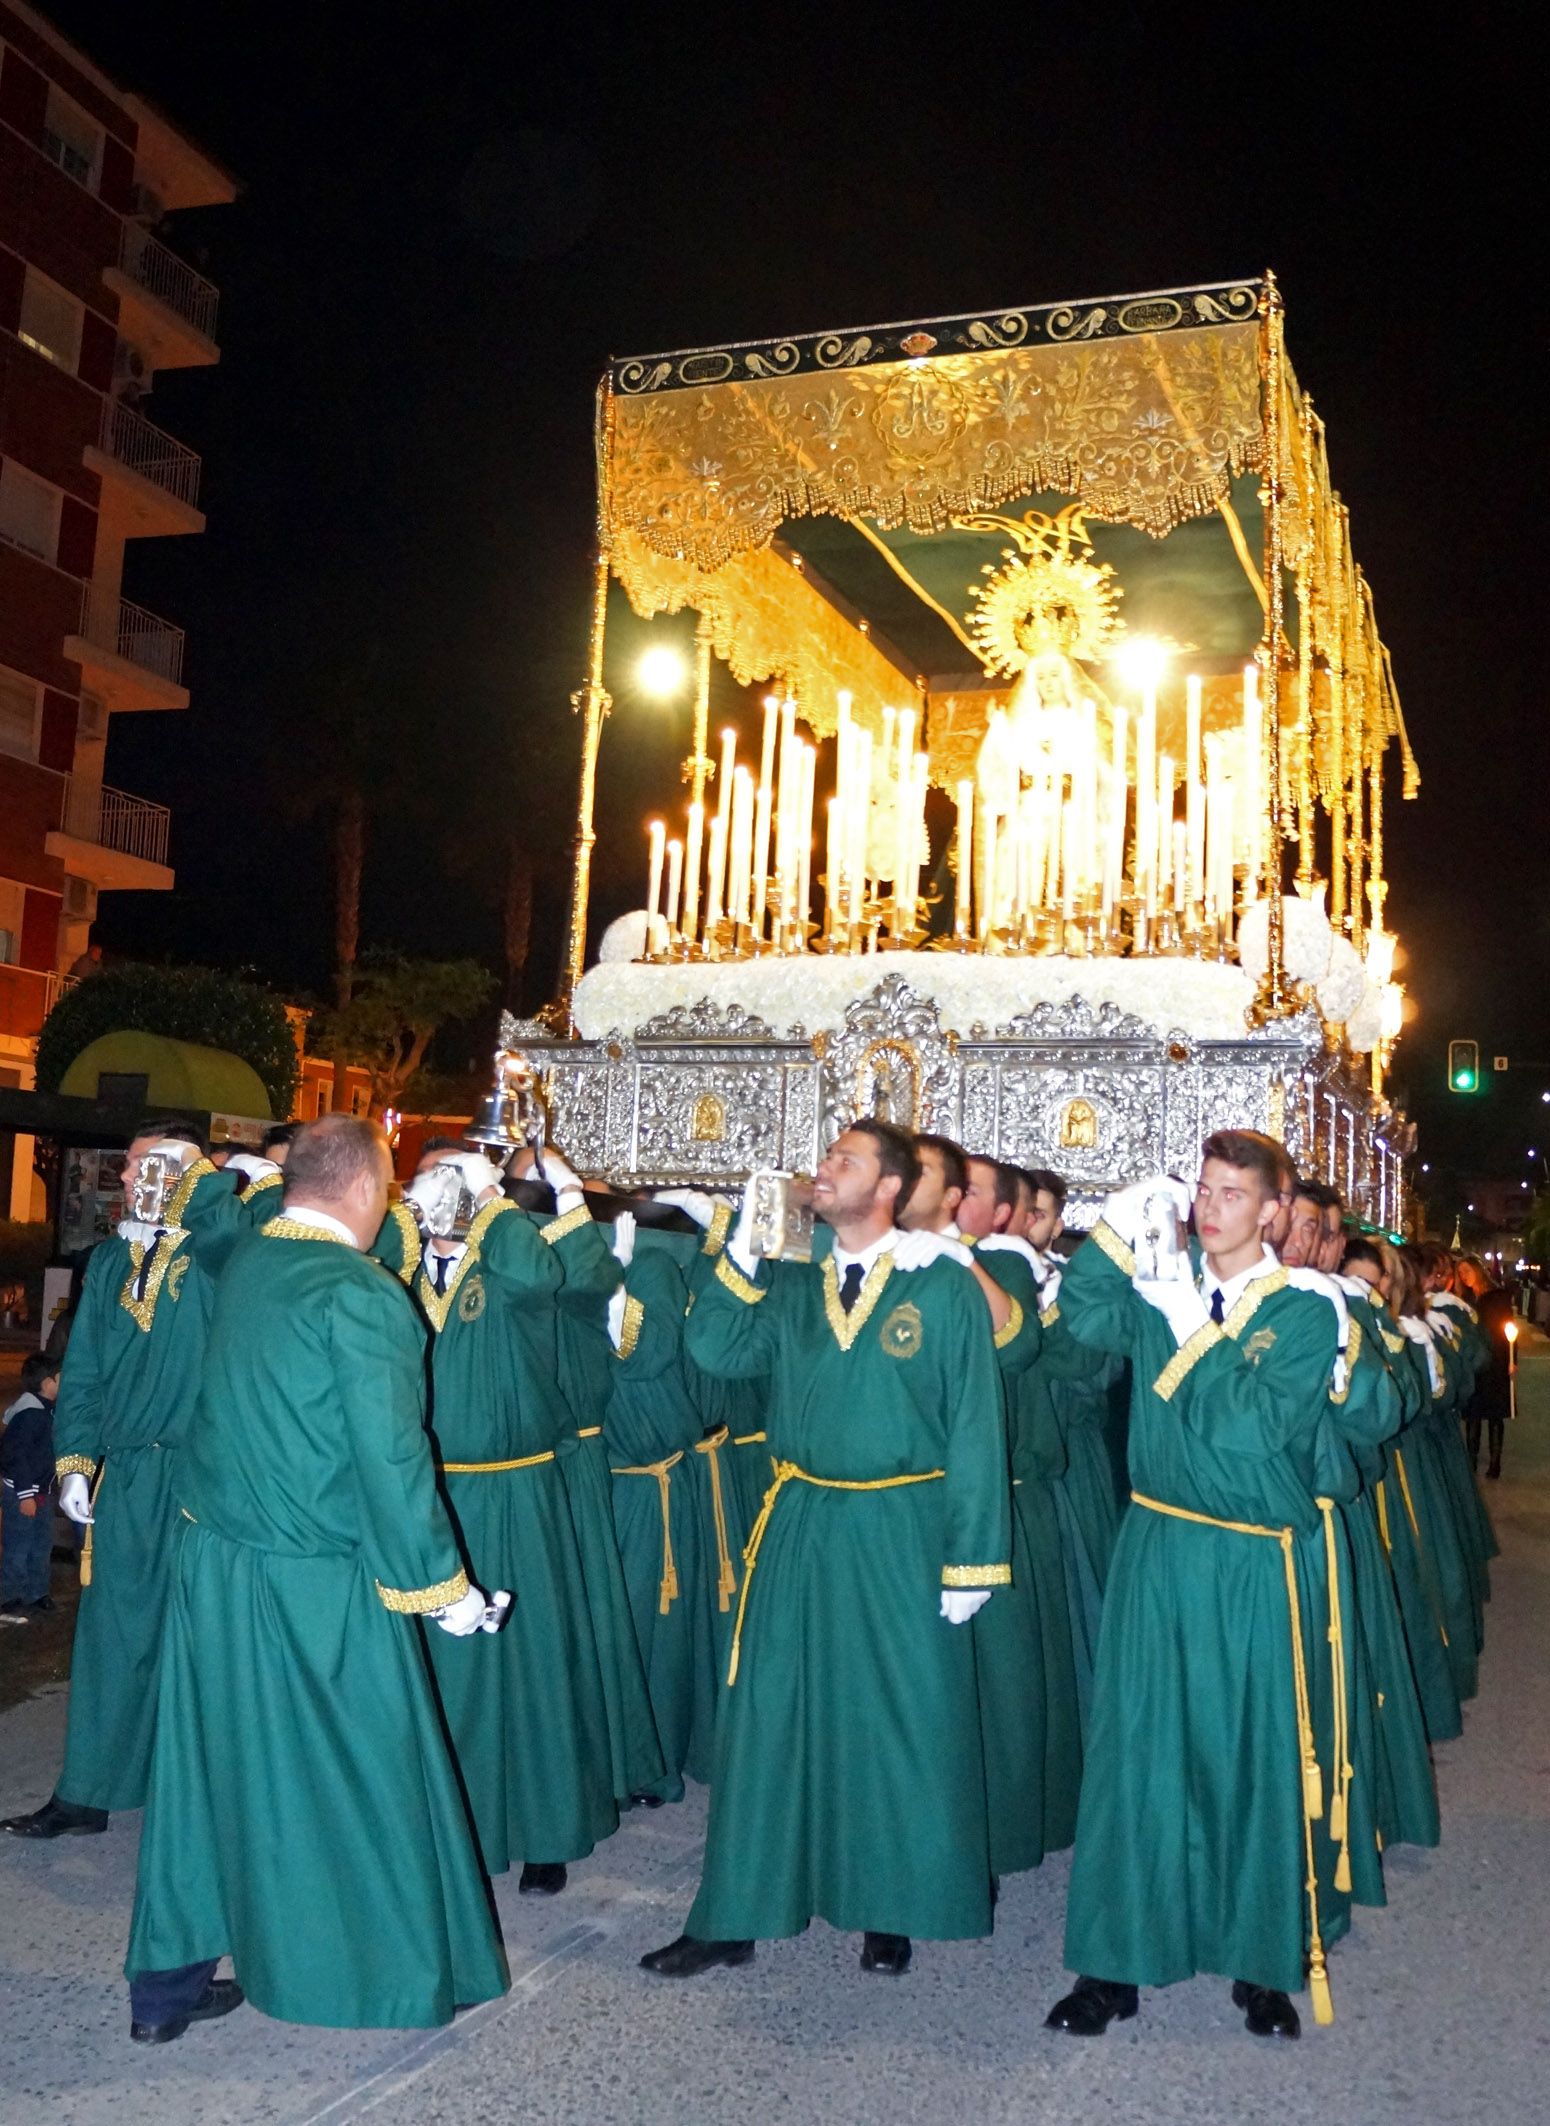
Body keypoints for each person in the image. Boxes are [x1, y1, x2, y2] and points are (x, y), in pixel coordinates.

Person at [125, 1115, 508, 2040]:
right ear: (370, 1190)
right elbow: (391, 1459)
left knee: (205, 1771)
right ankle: (386, 1979)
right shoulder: (360, 1291)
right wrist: (444, 1591)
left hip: (215, 1564)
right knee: (366, 1768)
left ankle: (166, 1990)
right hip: (313, 1579)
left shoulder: (250, 1260)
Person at [642, 1119, 1010, 1980]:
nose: (824, 1169)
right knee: (769, 1713)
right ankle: (734, 1911)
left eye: (843, 1160)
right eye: (825, 1157)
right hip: (802, 1519)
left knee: (898, 1716)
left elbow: (975, 1425)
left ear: (888, 1187)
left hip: (899, 1527)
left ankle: (892, 1904)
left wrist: (972, 1559)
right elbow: (715, 1347)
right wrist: (741, 1247)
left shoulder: (941, 1286)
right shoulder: (797, 1281)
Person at [1047, 1132, 1349, 2042]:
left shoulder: (1304, 1310)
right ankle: (1114, 1963)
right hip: (1159, 1543)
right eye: (1202, 1189)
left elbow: (1251, 1428)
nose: (1210, 1206)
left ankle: (1261, 1965)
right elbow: (1075, 1338)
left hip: (1252, 1558)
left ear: (1273, 1212)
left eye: (1232, 1193)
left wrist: (1184, 1319)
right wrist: (1112, 1227)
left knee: (1248, 1752)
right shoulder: (1158, 1287)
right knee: (1137, 1752)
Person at [2, 1126, 236, 1840]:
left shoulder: (217, 1249)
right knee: (112, 1635)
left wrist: (200, 1173)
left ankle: (197, 1798)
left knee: (202, 1636)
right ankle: (87, 1791)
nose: (129, 1179)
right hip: (129, 1475)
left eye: (146, 1166)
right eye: (133, 1168)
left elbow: (229, 1224)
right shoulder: (108, 1261)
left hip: (207, 1474)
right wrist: (73, 1463)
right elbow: (89, 1373)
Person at [396, 1142, 619, 1891]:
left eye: (450, 1179)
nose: (438, 1193)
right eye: (430, 1178)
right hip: (427, 1493)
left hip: (515, 1490)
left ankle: (545, 1829)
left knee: (531, 1668)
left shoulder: (510, 1261)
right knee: (437, 1674)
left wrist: (491, 1198)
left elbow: (545, 1272)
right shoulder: (397, 1265)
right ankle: (443, 1826)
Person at [1, 1354, 61, 1618]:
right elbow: (16, 1456)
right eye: (61, 1378)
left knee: (41, 1543)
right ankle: (10, 1594)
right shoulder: (30, 1415)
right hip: (21, 1493)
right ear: (47, 1383)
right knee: (19, 1544)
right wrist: (25, 1495)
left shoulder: (47, 1411)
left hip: (41, 1492)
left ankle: (36, 1592)